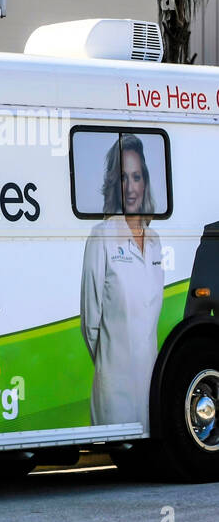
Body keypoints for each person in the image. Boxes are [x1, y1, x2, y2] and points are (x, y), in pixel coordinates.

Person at [80, 134, 164, 428]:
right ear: (115, 184)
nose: (130, 187)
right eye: (123, 178)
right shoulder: (101, 237)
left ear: (145, 182)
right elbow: (90, 325)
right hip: (113, 392)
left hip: (150, 389)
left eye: (136, 177)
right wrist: (111, 365)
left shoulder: (155, 242)